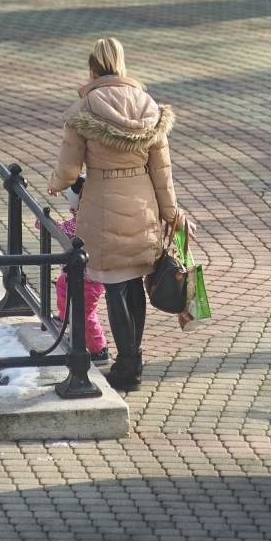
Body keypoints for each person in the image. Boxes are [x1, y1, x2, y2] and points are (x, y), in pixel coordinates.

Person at [47, 37, 186, 392]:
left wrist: (55, 183)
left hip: (102, 206)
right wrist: (170, 213)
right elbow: (162, 172)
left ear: (92, 69)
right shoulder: (149, 106)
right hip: (142, 204)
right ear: (122, 65)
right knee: (136, 281)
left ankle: (126, 367)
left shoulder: (84, 110)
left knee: (114, 286)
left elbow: (68, 169)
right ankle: (133, 363)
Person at [39, 177, 110, 364]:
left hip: (90, 278)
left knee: (85, 314)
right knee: (62, 286)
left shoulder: (82, 222)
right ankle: (65, 319)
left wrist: (44, 223)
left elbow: (61, 231)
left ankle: (99, 349)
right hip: (77, 274)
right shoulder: (96, 216)